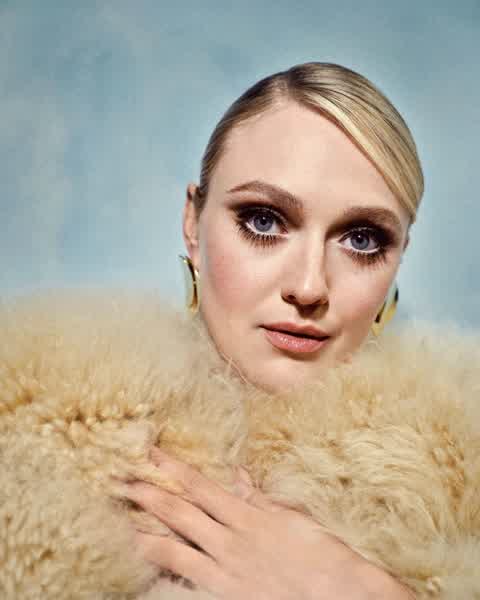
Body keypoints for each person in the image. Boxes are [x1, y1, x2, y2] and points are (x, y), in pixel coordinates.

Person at [2, 62, 479, 600]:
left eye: (362, 239)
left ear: (399, 258)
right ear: (193, 225)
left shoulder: (462, 469)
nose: (308, 287)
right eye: (264, 220)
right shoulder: (35, 436)